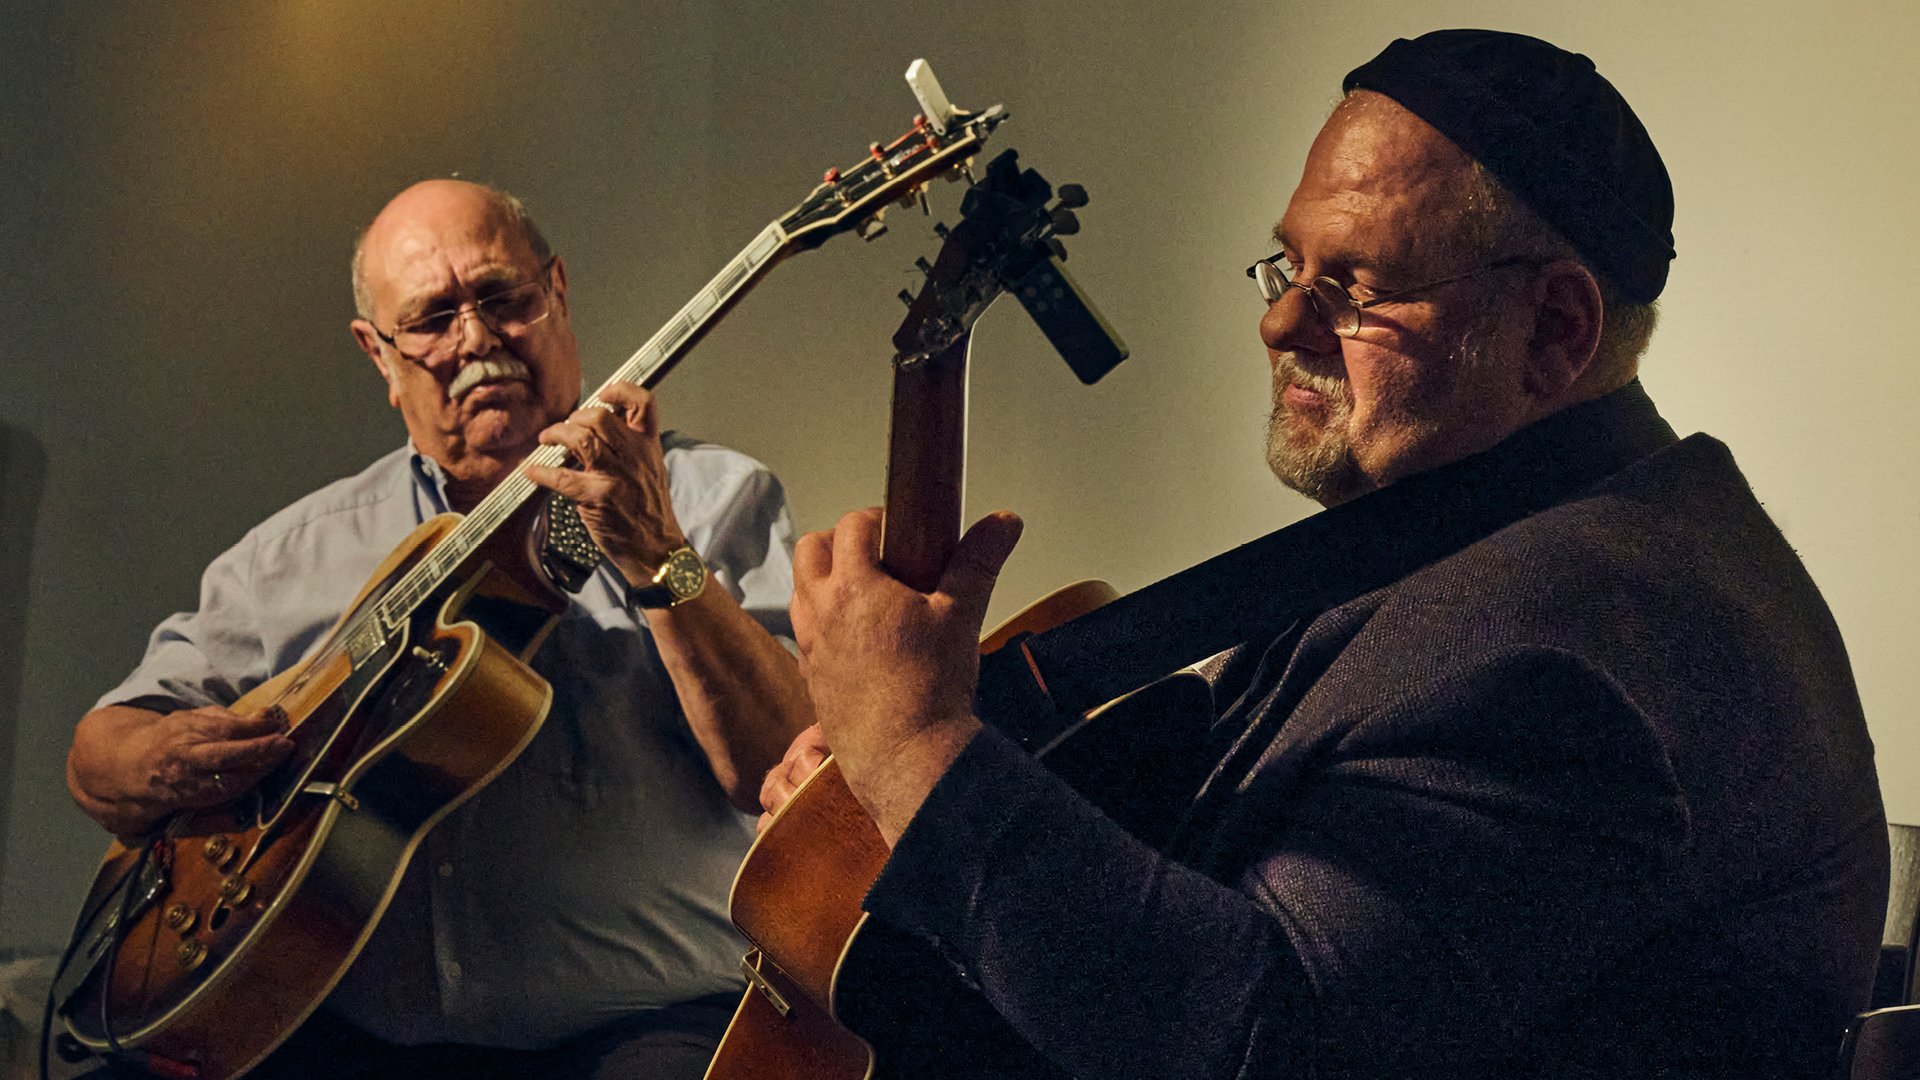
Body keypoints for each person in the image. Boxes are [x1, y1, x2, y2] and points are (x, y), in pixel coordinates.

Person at [760, 30, 1889, 1079]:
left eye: (1352, 287)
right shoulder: (1520, 524)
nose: (1280, 323)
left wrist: (913, 749)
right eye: (1285, 264)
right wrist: (885, 776)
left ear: (1555, 329)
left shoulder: (1563, 650)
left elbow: (1267, 1037)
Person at [65, 178, 814, 1078]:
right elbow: (99, 752)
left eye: (505, 298)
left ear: (559, 293)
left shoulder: (709, 497)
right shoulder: (295, 554)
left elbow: (787, 771)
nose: (477, 338)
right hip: (347, 1032)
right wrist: (160, 762)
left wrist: (657, 553)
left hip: (644, 1025)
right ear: (379, 355)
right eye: (430, 318)